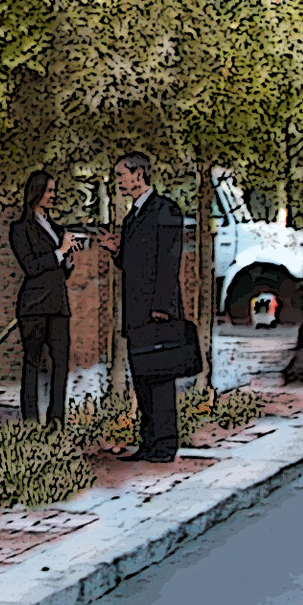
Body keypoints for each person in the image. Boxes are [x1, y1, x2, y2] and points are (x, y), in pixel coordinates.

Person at [110, 152, 191, 465]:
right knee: (142, 376)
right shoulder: (133, 215)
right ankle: (149, 441)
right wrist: (117, 250)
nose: (118, 181)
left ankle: (165, 444)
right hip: (136, 311)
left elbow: (170, 261)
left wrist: (161, 306)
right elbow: (134, 263)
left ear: (139, 174)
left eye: (121, 175)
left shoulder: (164, 209)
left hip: (158, 311)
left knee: (160, 377)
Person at [8, 170, 77, 426]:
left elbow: (61, 272)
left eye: (54, 191)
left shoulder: (57, 228)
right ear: (36, 192)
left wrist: (68, 259)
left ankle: (57, 423)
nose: (53, 195)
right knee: (32, 364)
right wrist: (59, 253)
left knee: (61, 365)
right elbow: (31, 267)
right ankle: (30, 423)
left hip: (59, 305)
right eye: (49, 191)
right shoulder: (20, 229)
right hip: (34, 306)